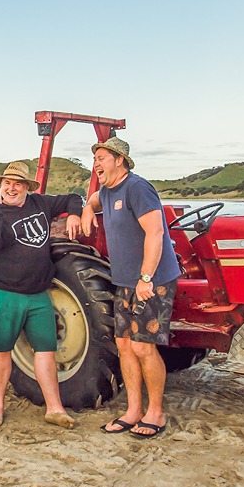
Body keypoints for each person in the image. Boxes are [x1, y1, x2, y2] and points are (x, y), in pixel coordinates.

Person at [80, 136, 181, 439]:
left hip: (152, 281)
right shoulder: (107, 191)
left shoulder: (137, 188)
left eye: (101, 158)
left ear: (119, 160)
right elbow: (95, 200)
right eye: (95, 159)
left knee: (142, 346)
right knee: (123, 346)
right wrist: (86, 209)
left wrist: (146, 278)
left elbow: (155, 232)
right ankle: (133, 410)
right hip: (123, 281)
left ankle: (156, 413)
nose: (96, 163)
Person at [0, 160, 84, 429]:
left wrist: (74, 214)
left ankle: (55, 408)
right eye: (7, 183)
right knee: (1, 351)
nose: (11, 188)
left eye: (17, 183)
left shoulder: (40, 204)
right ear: (1, 186)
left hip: (38, 294)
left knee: (46, 351)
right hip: (4, 294)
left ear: (27, 187)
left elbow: (74, 197)